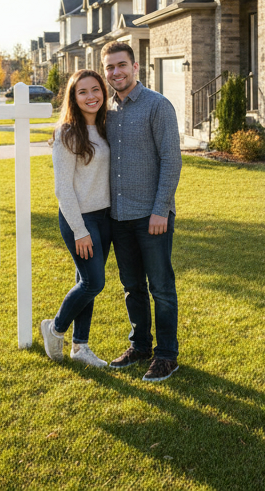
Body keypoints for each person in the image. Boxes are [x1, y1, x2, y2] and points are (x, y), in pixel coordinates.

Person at [101, 41, 183, 382]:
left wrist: (161, 209)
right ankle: (140, 346)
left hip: (152, 216)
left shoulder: (157, 106)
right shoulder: (106, 110)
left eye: (121, 65)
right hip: (118, 217)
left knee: (160, 287)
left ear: (136, 67)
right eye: (109, 67)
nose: (115, 72)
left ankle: (167, 355)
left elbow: (171, 160)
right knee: (132, 286)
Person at [39, 69, 113, 368]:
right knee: (93, 283)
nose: (91, 96)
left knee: (85, 281)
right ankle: (55, 328)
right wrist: (80, 230)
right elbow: (63, 188)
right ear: (73, 97)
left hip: (106, 217)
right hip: (79, 220)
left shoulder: (107, 127)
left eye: (95, 89)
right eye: (83, 92)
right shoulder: (66, 133)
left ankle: (80, 347)